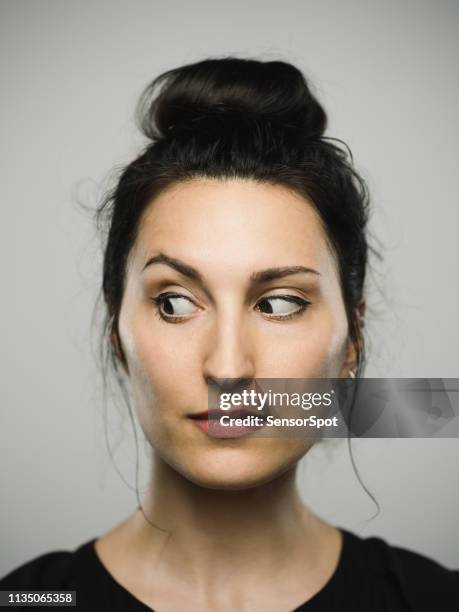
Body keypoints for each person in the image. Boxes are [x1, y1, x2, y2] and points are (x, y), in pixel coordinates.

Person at [1, 56, 457, 611]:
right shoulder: (31, 599)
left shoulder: (434, 599)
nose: (228, 367)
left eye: (280, 304)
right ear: (116, 334)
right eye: (174, 303)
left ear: (352, 340)